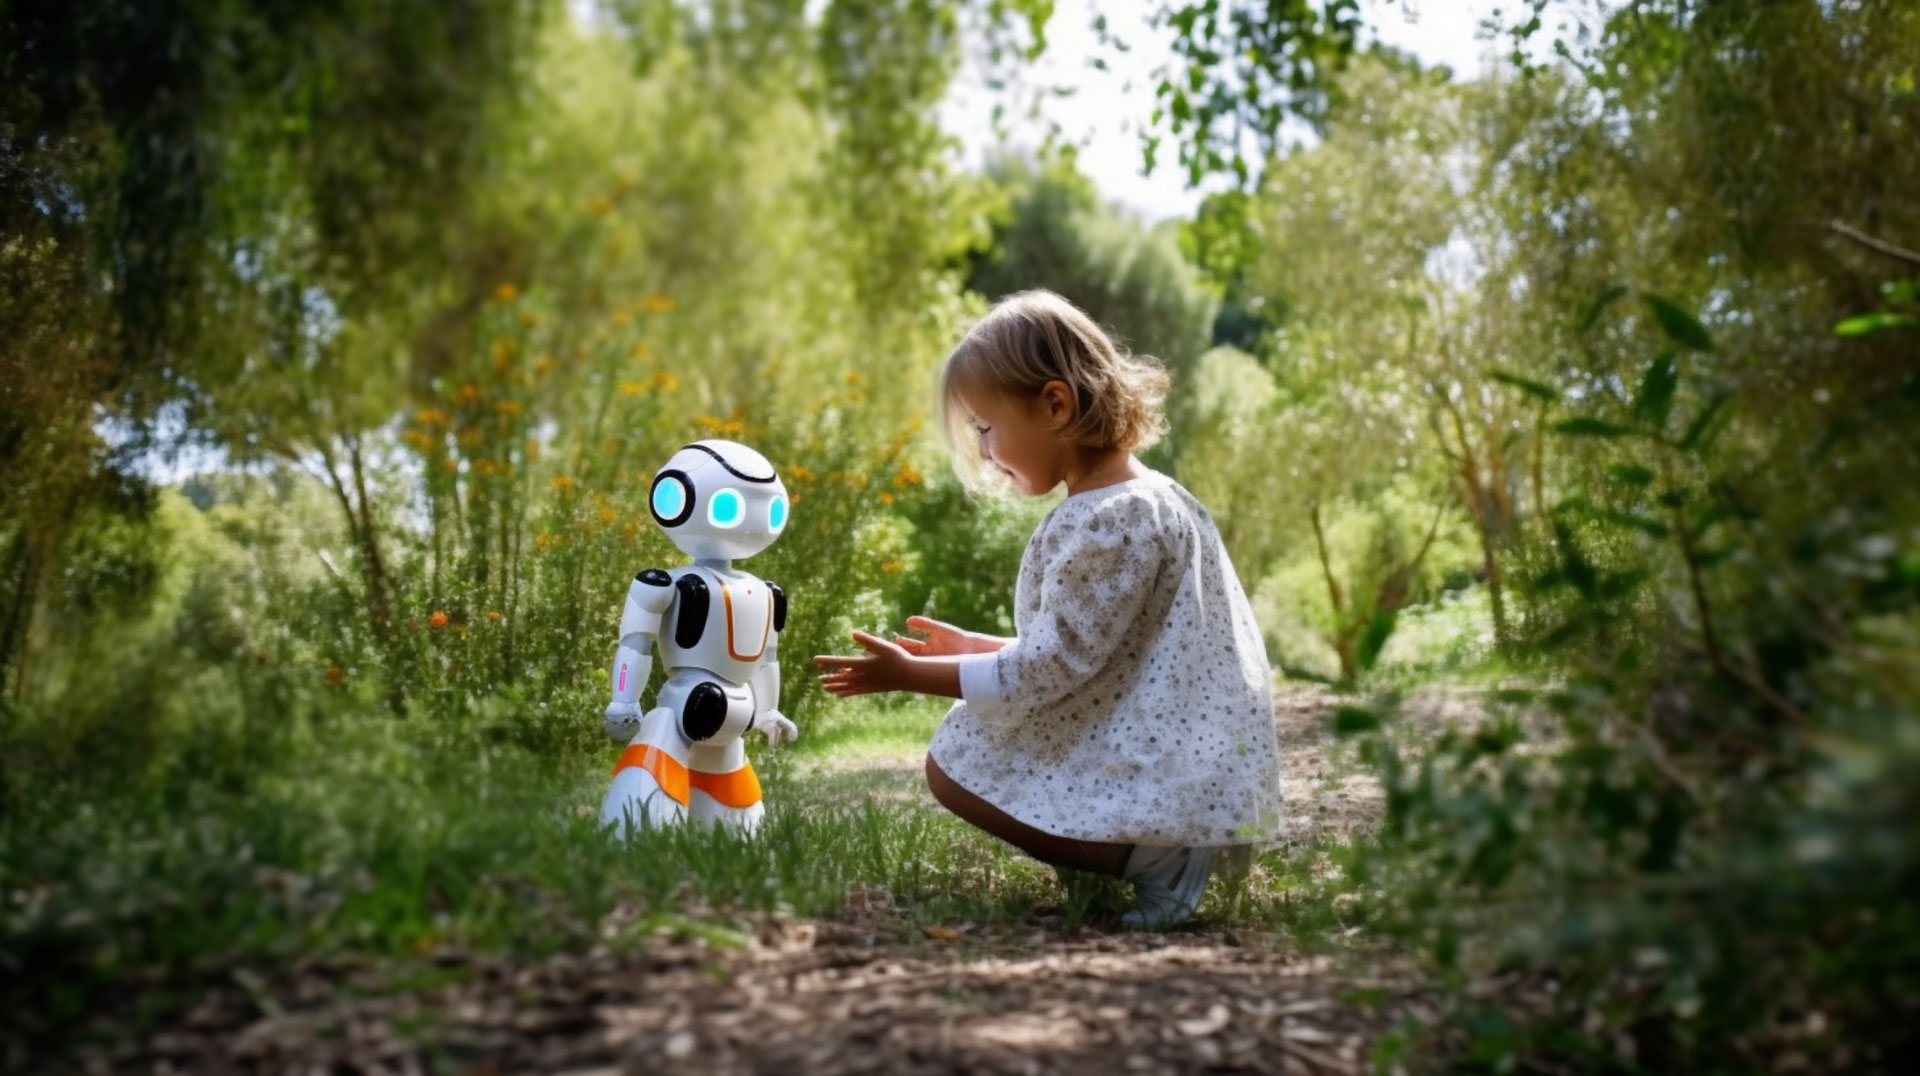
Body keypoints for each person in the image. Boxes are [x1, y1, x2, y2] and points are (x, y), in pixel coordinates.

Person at [813, 289, 1282, 928]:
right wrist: (976, 649)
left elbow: (1052, 667)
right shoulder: (1150, 500)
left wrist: (909, 676)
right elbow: (1094, 650)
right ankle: (1127, 856)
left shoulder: (1113, 520)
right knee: (987, 728)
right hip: (1184, 765)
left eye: (985, 429)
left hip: (1177, 785)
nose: (982, 451)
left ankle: (1154, 863)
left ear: (1055, 405)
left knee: (957, 758)